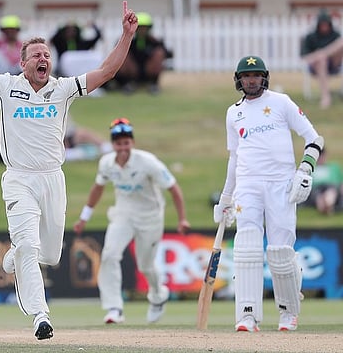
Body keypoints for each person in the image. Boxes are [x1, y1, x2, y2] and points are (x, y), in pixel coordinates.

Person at [0, 2, 138, 340]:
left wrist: (126, 36)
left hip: (53, 179)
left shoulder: (62, 90)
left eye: (46, 55)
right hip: (18, 179)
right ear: (22, 63)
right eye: (35, 55)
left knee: (49, 254)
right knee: (30, 248)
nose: (43, 59)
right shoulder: (5, 86)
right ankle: (40, 315)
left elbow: (106, 71)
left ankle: (15, 254)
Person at [213, 55, 324, 333]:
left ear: (265, 77)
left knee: (280, 251)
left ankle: (288, 313)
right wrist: (226, 198)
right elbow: (234, 158)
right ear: (239, 80)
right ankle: (247, 315)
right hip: (248, 185)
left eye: (257, 75)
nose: (252, 80)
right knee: (247, 246)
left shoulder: (281, 102)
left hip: (281, 184)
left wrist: (305, 171)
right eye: (247, 76)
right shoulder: (233, 112)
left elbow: (314, 139)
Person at [73, 118, 191, 324]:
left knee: (146, 265)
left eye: (126, 143)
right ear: (113, 145)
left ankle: (158, 295)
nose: (122, 148)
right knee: (109, 255)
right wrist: (84, 217)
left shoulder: (148, 162)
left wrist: (182, 219)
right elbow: (97, 188)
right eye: (118, 143)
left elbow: (173, 188)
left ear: (132, 143)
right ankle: (114, 308)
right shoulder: (107, 163)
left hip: (150, 217)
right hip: (123, 215)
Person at [114, 12, 172, 94]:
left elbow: (168, 54)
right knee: (123, 54)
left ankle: (153, 84)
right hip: (132, 72)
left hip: (148, 71)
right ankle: (127, 83)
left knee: (159, 53)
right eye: (140, 28)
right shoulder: (130, 42)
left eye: (144, 28)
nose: (142, 30)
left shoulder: (155, 42)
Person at [300, 9, 343, 109]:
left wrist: (323, 53)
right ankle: (325, 96)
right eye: (322, 24)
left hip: (334, 64)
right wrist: (318, 56)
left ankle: (323, 54)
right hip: (316, 66)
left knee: (340, 44)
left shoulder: (335, 35)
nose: (324, 27)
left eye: (326, 24)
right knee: (321, 60)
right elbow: (305, 57)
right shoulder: (310, 37)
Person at [305, 147, 343, 215]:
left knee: (331, 192)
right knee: (318, 195)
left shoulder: (334, 167)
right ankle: (326, 206)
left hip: (331, 188)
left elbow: (340, 183)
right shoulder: (310, 170)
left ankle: (326, 204)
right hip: (315, 189)